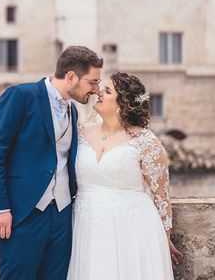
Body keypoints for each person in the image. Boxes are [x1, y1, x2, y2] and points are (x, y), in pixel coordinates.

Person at [0, 46, 103, 279]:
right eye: (92, 82)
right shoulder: (21, 96)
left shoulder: (72, 110)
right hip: (23, 212)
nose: (96, 90)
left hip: (62, 214)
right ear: (71, 77)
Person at [67, 72, 183, 279]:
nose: (98, 92)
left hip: (133, 231)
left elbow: (162, 199)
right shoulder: (79, 133)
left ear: (124, 103)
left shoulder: (147, 142)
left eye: (107, 90)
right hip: (86, 228)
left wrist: (164, 239)